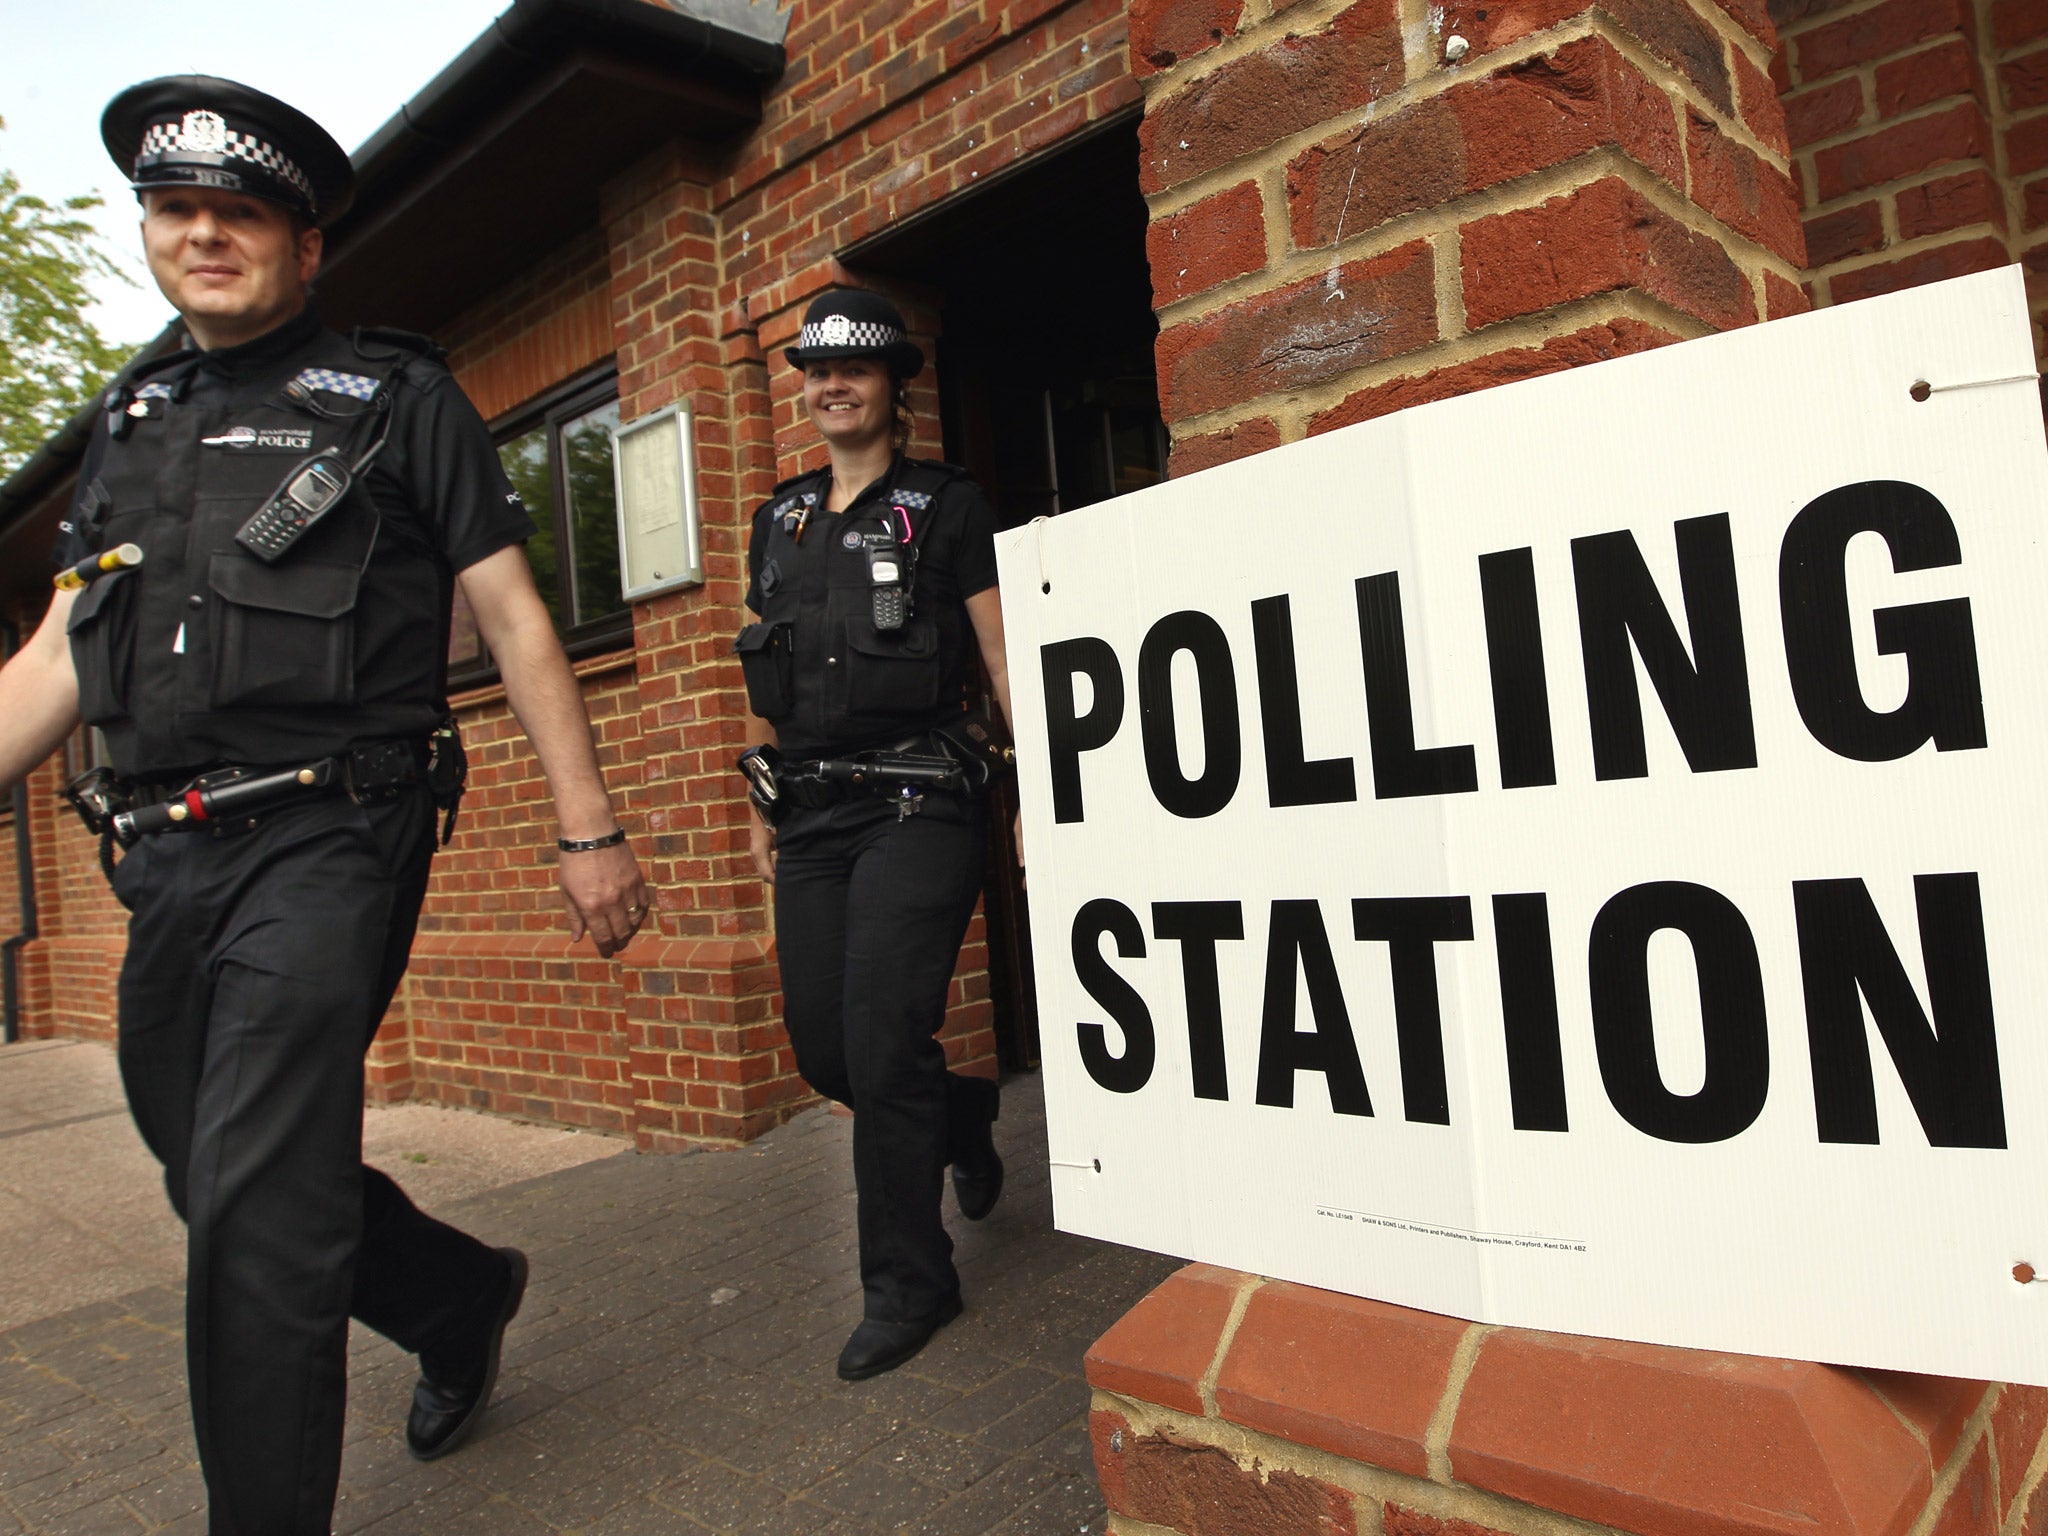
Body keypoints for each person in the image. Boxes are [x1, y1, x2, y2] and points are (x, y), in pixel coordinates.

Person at [0, 77, 651, 1535]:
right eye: (180, 210)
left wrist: (588, 828)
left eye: (243, 213)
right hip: (163, 856)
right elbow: (55, 653)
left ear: (304, 248)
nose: (207, 234)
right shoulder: (129, 421)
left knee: (253, 1219)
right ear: (152, 234)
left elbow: (518, 617)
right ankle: (455, 1293)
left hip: (332, 833)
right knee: (207, 1167)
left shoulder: (396, 400)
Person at [738, 289, 1014, 1380]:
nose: (830, 385)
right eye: (814, 369)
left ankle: (910, 1282)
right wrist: (759, 806)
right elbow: (766, 667)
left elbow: (1003, 656)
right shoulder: (781, 515)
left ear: (896, 384)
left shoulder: (947, 506)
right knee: (826, 1048)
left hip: (917, 802)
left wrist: (1037, 794)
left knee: (881, 1033)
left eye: (854, 368)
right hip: (809, 813)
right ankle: (958, 1112)